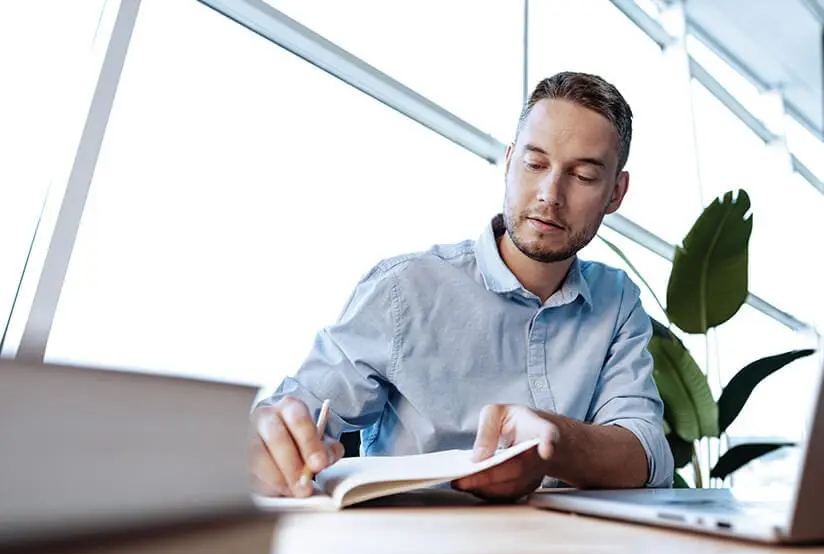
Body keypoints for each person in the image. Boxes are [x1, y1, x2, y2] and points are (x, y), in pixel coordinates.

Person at [251, 71, 673, 501]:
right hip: (411, 552)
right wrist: (273, 440)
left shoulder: (615, 300)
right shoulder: (406, 289)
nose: (550, 194)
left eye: (583, 176)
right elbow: (299, 410)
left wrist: (551, 444)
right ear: (509, 163)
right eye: (535, 164)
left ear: (616, 193)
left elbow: (646, 452)